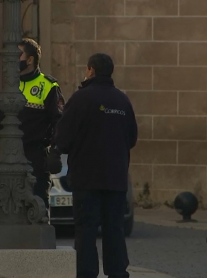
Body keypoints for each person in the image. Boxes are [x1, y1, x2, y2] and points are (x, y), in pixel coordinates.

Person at [55, 53, 138, 278]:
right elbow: (132, 138)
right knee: (114, 229)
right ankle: (117, 272)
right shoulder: (122, 100)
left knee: (86, 230)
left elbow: (63, 137)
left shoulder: (81, 98)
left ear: (90, 70)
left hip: (86, 178)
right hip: (116, 178)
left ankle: (87, 272)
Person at [0, 38, 64, 215]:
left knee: (37, 207)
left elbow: (59, 121)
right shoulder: (11, 85)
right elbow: (0, 122)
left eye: (18, 55)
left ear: (30, 60)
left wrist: (56, 151)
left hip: (35, 156)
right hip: (8, 157)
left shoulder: (48, 86)